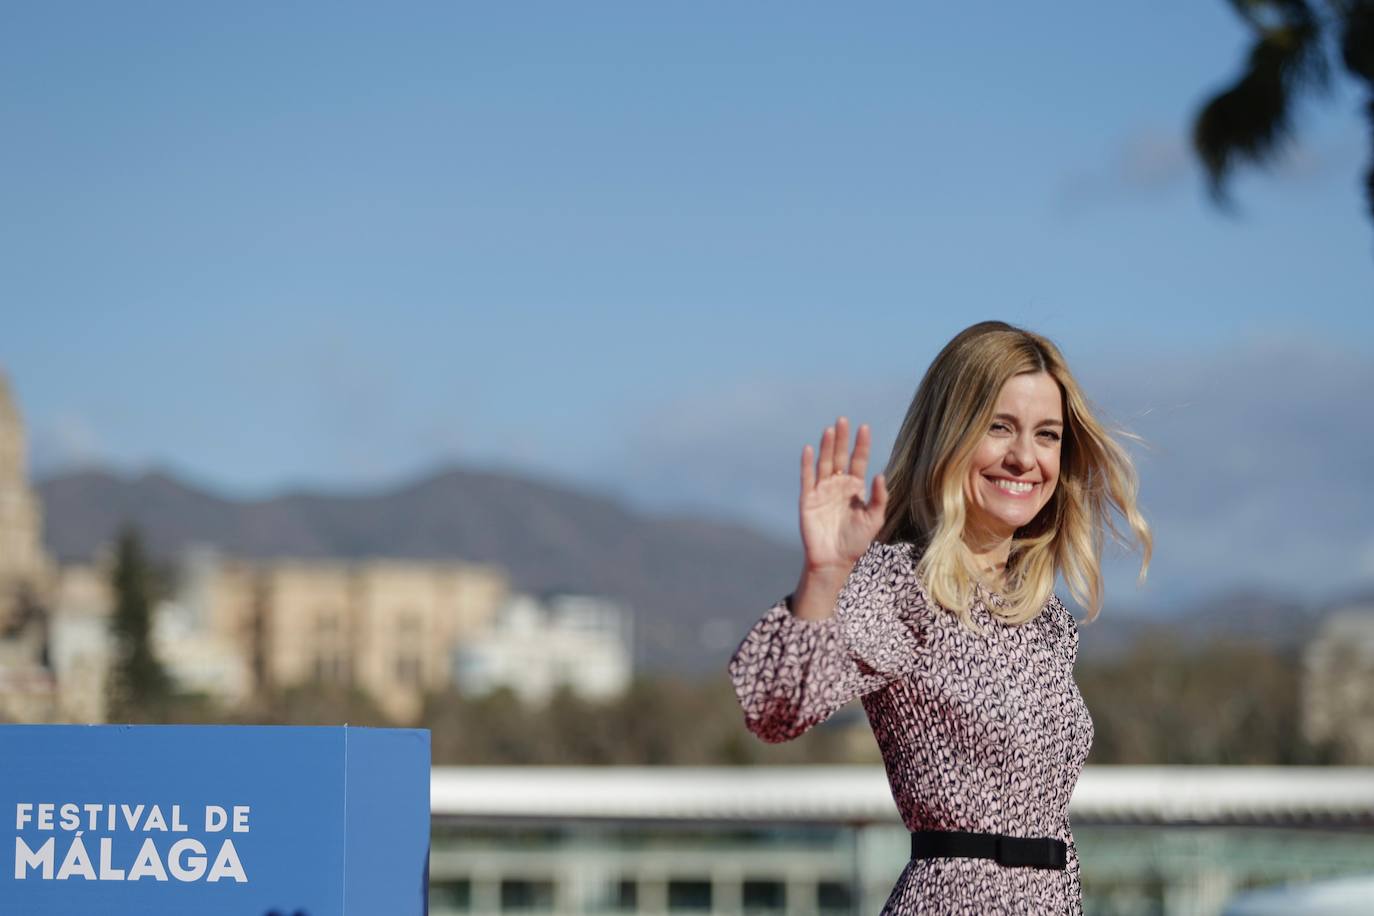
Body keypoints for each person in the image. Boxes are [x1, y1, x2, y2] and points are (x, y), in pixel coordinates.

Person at [727, 320, 1151, 914]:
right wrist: (824, 576)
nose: (1024, 457)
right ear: (949, 433)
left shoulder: (1043, 618)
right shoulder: (906, 585)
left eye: (1047, 435)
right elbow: (773, 707)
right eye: (999, 427)